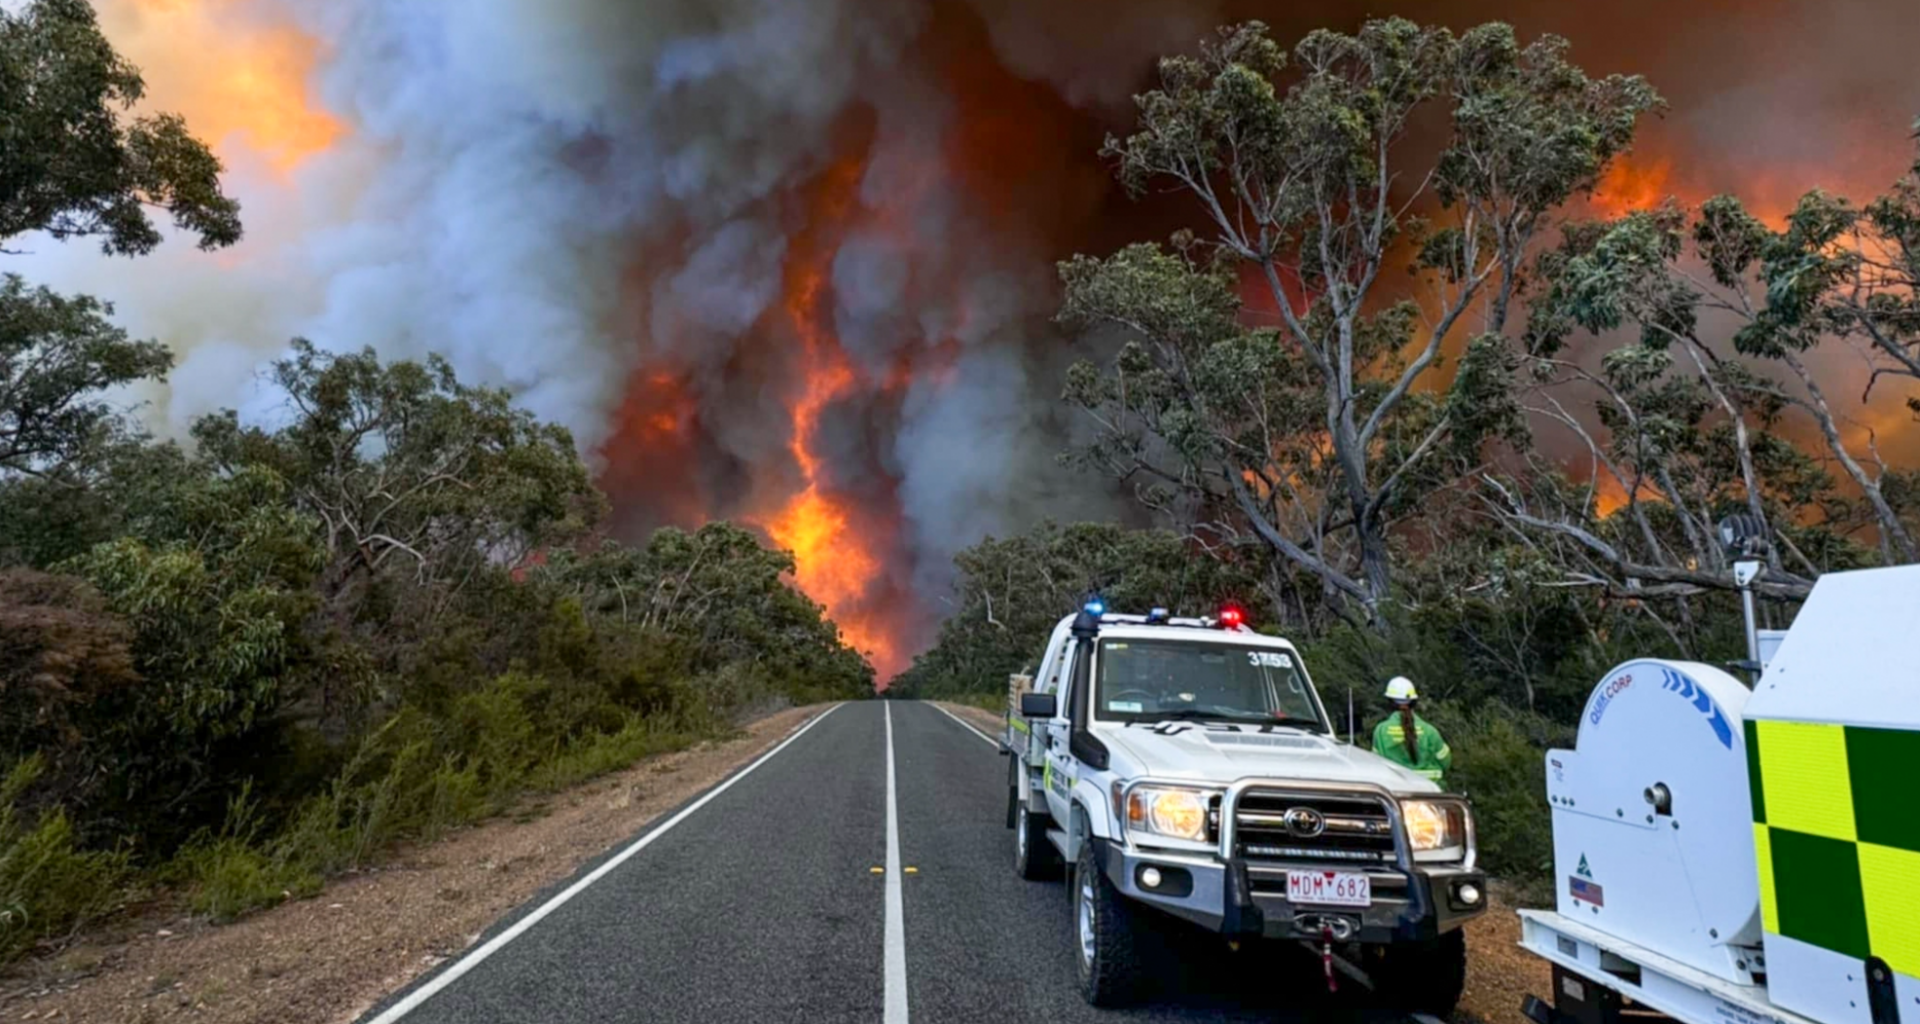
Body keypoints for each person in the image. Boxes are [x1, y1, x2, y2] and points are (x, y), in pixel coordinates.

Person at [1371, 677, 1452, 785]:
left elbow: (1376, 763)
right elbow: (1446, 762)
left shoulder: (1381, 731)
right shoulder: (1430, 731)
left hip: (1394, 791)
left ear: (1389, 702)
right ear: (1414, 702)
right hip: (1430, 791)